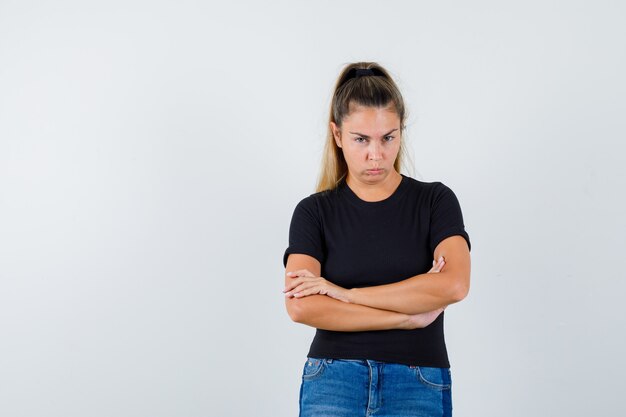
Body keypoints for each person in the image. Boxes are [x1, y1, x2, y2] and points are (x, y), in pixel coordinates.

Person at [282, 62, 471, 417]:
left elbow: (454, 285)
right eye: (361, 139)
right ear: (337, 135)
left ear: (401, 132)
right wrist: (405, 317)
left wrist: (345, 294)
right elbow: (302, 306)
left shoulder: (434, 202)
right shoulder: (314, 212)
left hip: (418, 381)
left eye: (388, 137)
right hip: (333, 380)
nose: (376, 154)